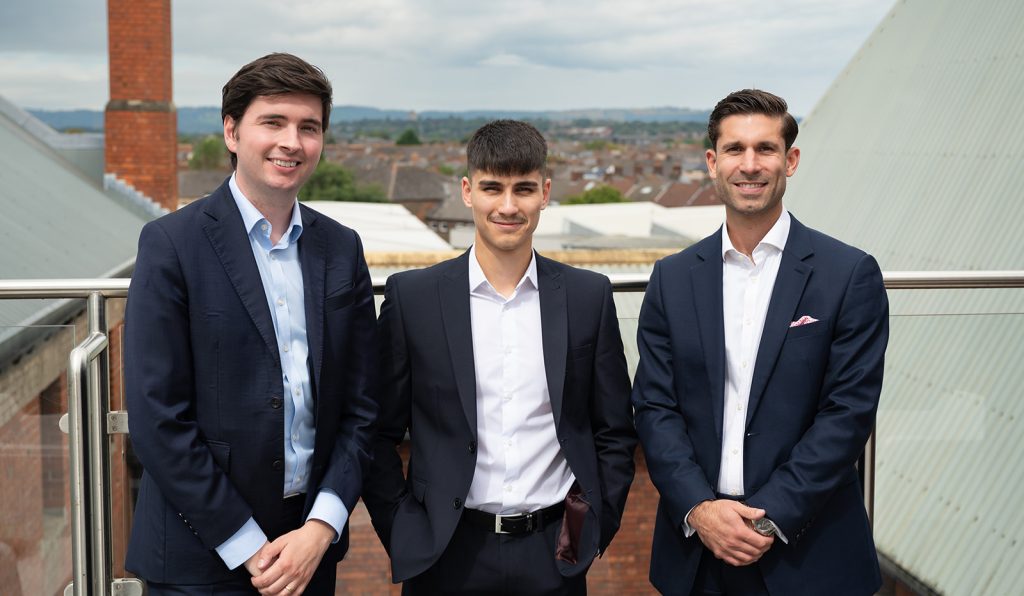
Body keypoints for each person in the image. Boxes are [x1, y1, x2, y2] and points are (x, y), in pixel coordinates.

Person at [123, 53, 377, 595]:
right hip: (199, 557)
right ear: (232, 131)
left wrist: (322, 526)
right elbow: (156, 418)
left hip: (308, 551)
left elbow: (362, 407)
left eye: (308, 127)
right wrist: (246, 545)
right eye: (273, 122)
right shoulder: (171, 245)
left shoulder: (342, 248)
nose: (292, 141)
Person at [631, 89, 888, 595]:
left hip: (807, 551)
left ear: (790, 160)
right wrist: (701, 510)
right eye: (735, 149)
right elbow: (654, 406)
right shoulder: (672, 278)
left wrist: (768, 520)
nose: (750, 165)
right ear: (712, 161)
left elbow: (848, 412)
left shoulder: (848, 274)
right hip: (697, 553)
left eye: (765, 149)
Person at [363, 119, 637, 595]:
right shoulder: (414, 299)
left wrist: (592, 527)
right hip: (445, 554)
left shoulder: (587, 296)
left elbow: (614, 431)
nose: (508, 206)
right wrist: (404, 529)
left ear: (546, 192)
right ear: (468, 191)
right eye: (492, 188)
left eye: (524, 189)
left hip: (556, 553)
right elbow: (378, 432)